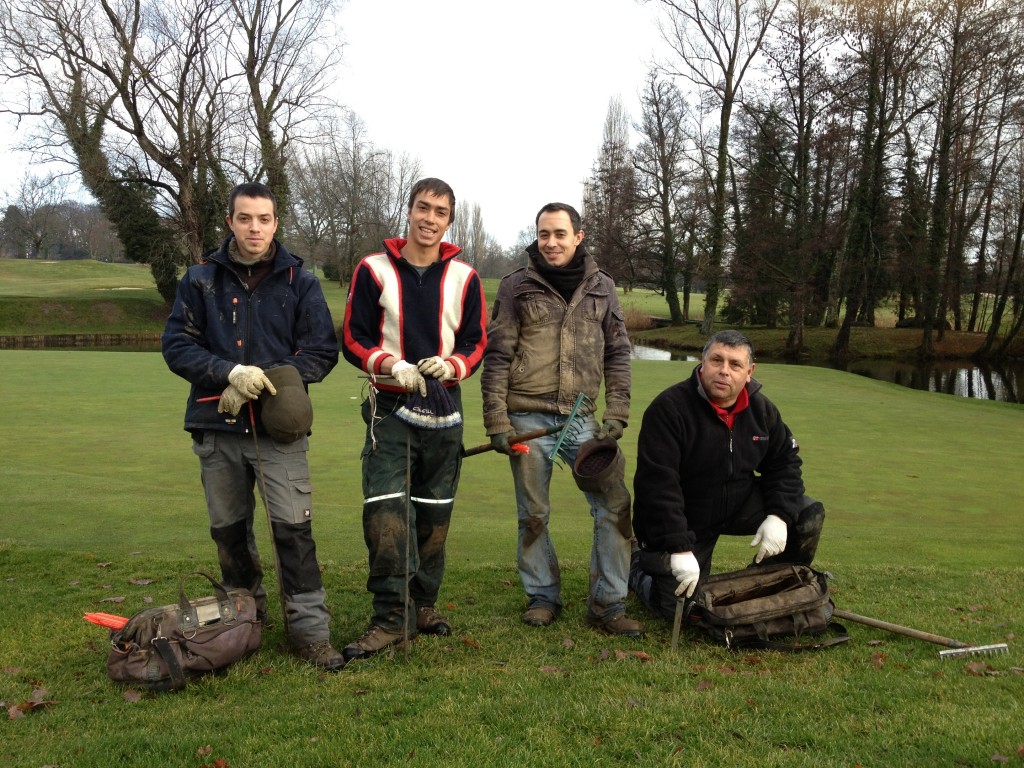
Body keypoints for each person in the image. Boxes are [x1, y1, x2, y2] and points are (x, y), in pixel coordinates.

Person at [162, 182, 344, 671]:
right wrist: (227, 374)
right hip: (215, 424)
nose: (255, 228)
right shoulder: (199, 280)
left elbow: (323, 351)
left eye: (264, 219)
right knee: (229, 533)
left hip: (279, 430)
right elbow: (177, 345)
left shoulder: (299, 282)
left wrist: (266, 381)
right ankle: (245, 624)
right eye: (245, 219)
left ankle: (309, 633)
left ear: (276, 223)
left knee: (293, 532)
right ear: (231, 223)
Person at [341, 177, 487, 662]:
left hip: (446, 407)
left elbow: (475, 342)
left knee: (434, 509)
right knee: (386, 508)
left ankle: (422, 605)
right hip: (389, 407)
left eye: (440, 212)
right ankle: (389, 617)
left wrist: (453, 366)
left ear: (449, 221)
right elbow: (353, 338)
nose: (430, 218)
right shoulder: (373, 269)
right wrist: (390, 364)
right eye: (422, 208)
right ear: (408, 210)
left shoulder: (465, 278)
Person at [481, 202, 644, 637]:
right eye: (543, 234)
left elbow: (618, 354)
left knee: (613, 506)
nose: (550, 242)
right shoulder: (516, 286)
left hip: (581, 419)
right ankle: (542, 596)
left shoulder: (603, 288)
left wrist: (618, 412)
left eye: (559, 234)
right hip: (526, 418)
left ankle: (608, 605)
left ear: (579, 236)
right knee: (533, 513)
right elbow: (496, 356)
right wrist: (497, 421)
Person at [629, 329, 826, 621]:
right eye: (716, 360)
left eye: (735, 364)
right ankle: (635, 568)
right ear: (702, 362)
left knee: (806, 513)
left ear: (749, 372)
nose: (724, 371)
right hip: (686, 514)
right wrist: (679, 548)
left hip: (737, 502)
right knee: (678, 611)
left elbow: (785, 462)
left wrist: (779, 516)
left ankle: (768, 584)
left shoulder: (762, 410)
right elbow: (658, 485)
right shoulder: (669, 409)